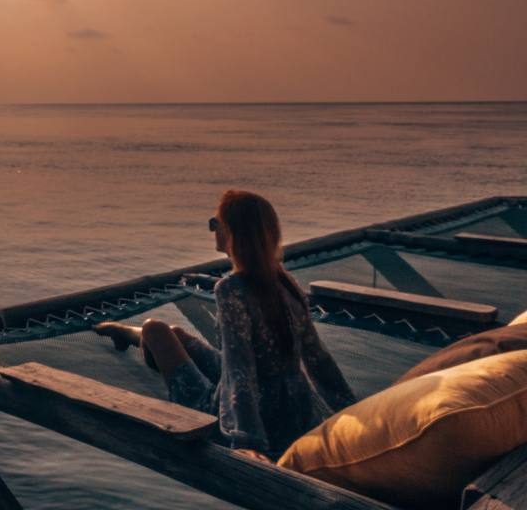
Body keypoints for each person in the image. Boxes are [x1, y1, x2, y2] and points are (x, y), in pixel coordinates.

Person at [94, 189, 355, 461]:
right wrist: (350, 409)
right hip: (296, 409)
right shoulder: (286, 283)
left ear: (232, 232)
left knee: (155, 329)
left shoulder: (230, 289)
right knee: (176, 334)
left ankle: (128, 334)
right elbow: (318, 359)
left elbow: (239, 367)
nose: (213, 230)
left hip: (239, 410)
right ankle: (125, 334)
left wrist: (246, 439)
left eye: (215, 223)